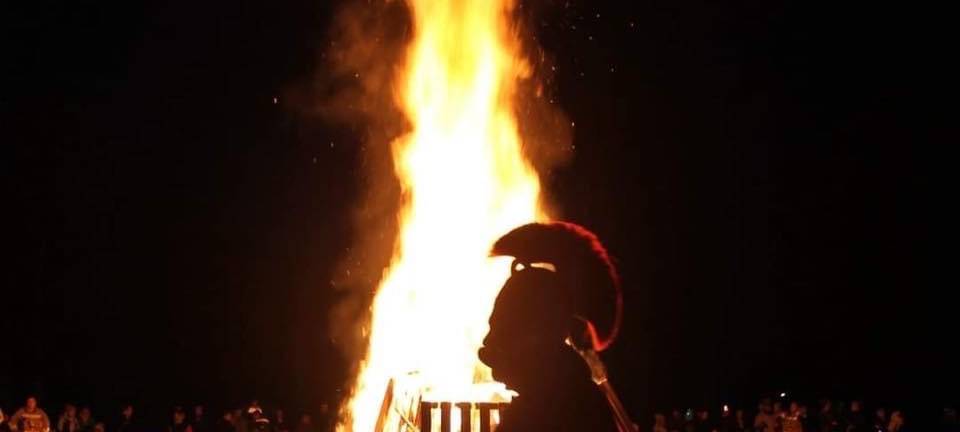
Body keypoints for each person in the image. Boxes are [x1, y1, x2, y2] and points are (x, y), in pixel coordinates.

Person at [479, 222, 624, 432]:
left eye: (504, 329)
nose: (488, 343)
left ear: (536, 336)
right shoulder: (576, 397)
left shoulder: (544, 412)